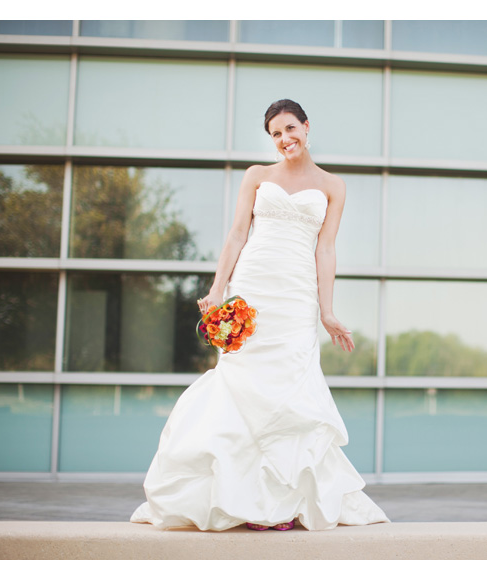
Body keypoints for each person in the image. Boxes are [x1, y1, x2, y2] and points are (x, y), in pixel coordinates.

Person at [130, 99, 390, 532]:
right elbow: (236, 234)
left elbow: (325, 249)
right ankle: (238, 498)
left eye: (291, 129)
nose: (285, 140)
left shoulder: (333, 186)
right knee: (242, 381)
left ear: (307, 127)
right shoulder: (257, 176)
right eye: (276, 134)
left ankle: (283, 503)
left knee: (290, 384)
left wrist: (327, 311)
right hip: (252, 286)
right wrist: (217, 291)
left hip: (297, 293)